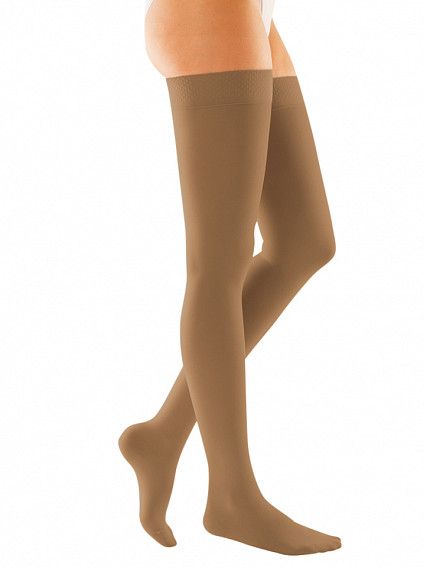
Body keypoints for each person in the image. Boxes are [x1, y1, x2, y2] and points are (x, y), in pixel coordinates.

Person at [119, 0, 341, 556]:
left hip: (254, 15)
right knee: (218, 261)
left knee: (305, 241)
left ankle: (161, 436)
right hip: (209, 11)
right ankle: (231, 496)